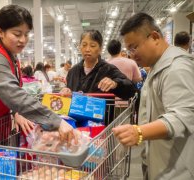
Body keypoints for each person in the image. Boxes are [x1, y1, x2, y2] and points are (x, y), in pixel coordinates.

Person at [0, 4, 77, 143]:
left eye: (26, 34)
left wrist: (16, 112)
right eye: (17, 34)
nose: (23, 40)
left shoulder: (9, 55)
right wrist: (56, 122)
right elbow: (14, 95)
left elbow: (8, 94)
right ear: (0, 32)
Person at [112, 12, 194, 180]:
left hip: (177, 170)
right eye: (129, 49)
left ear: (155, 37)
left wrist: (139, 132)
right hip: (159, 162)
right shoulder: (156, 67)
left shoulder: (176, 68)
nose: (132, 54)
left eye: (134, 47)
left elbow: (182, 117)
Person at [60, 30, 136, 100]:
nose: (87, 49)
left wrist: (115, 83)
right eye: (84, 45)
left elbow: (131, 90)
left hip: (101, 114)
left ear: (100, 49)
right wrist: (66, 91)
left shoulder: (108, 69)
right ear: (80, 47)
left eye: (92, 46)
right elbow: (69, 93)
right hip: (74, 114)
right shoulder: (73, 71)